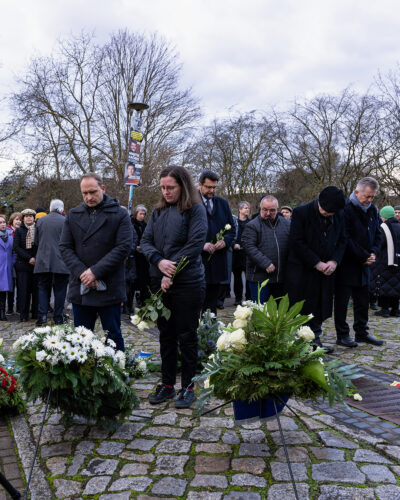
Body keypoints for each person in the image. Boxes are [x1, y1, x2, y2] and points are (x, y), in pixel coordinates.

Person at [141, 166, 208, 408]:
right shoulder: (158, 211)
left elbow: (195, 244)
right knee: (166, 335)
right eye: (163, 188)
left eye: (171, 187)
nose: (166, 192)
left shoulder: (195, 210)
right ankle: (167, 384)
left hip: (188, 282)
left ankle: (188, 387)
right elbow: (145, 242)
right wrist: (159, 262)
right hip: (159, 281)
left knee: (187, 336)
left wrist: (172, 270)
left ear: (183, 186)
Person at [60, 173, 133, 351]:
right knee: (81, 339)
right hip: (82, 285)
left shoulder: (120, 214)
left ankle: (116, 374)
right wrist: (83, 273)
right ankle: (84, 378)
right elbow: (64, 247)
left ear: (103, 188)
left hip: (109, 285)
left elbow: (123, 247)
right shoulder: (73, 215)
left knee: (113, 337)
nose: (89, 197)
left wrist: (95, 272)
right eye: (84, 193)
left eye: (93, 192)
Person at [286, 186, 347, 352]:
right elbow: (296, 242)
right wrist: (317, 263)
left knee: (321, 305)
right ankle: (303, 343)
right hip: (304, 270)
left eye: (331, 213)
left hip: (327, 269)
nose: (328, 215)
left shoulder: (339, 213)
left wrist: (334, 261)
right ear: (319, 202)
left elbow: (343, 239)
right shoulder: (301, 212)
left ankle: (316, 339)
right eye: (326, 211)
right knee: (305, 306)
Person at [334, 177, 384, 347]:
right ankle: (342, 335)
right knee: (342, 302)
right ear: (357, 192)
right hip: (347, 264)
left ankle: (361, 333)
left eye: (372, 197)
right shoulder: (345, 209)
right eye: (367, 196)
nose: (369, 200)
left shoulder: (373, 210)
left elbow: (378, 234)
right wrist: (363, 255)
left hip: (365, 264)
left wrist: (374, 253)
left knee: (362, 301)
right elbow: (345, 238)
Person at [199, 170, 235, 313]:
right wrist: (202, 245)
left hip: (217, 261)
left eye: (214, 187)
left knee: (212, 307)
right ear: (200, 184)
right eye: (208, 187)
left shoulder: (222, 203)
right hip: (198, 262)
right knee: (198, 305)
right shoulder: (191, 203)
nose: (212, 191)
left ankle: (210, 332)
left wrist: (225, 242)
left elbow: (231, 230)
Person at [242, 195, 291, 303]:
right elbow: (249, 247)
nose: (268, 213)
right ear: (260, 208)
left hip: (281, 278)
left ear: (277, 209)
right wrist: (265, 263)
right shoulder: (252, 225)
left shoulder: (287, 224)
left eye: (272, 210)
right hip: (259, 278)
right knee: (262, 313)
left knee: (280, 315)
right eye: (265, 210)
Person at [34, 199, 70, 326]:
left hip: (43, 259)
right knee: (60, 290)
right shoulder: (66, 221)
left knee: (43, 288)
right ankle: (58, 317)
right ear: (61, 209)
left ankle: (42, 316)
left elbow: (36, 241)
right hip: (62, 261)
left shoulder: (41, 221)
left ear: (50, 208)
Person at [370, 206, 400, 318]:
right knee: (396, 285)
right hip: (398, 261)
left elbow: (379, 244)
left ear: (384, 216)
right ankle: (396, 310)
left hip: (385, 261)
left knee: (384, 285)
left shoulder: (384, 228)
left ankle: (385, 309)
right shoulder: (399, 226)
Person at [13, 209, 38, 322]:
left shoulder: (38, 229)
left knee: (36, 290)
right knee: (23, 290)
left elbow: (41, 245)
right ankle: (24, 314)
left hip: (36, 264)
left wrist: (36, 258)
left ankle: (35, 313)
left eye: (31, 216)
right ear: (23, 218)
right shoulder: (19, 231)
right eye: (26, 216)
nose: (29, 218)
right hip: (23, 264)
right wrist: (29, 258)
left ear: (33, 218)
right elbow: (16, 247)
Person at [131, 205, 150, 308]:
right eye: (140, 214)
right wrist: (135, 247)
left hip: (143, 256)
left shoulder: (145, 225)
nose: (142, 216)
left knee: (143, 279)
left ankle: (141, 300)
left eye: (144, 214)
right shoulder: (131, 224)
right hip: (133, 256)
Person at [232, 201, 251, 305]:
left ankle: (248, 298)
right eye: (245, 208)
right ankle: (238, 298)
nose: (247, 210)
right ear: (239, 210)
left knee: (248, 277)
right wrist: (234, 244)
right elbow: (230, 235)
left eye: (248, 208)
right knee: (237, 277)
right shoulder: (234, 223)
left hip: (247, 253)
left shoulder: (251, 222)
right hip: (237, 253)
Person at [0, 214, 15, 320]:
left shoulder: (10, 237)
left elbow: (14, 252)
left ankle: (2, 312)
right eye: (0, 223)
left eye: (4, 222)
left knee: (3, 290)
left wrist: (12, 262)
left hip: (7, 267)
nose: (3, 224)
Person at [6, 212, 21, 314]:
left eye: (20, 219)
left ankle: (19, 307)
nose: (18, 221)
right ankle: (10, 307)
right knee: (11, 284)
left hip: (20, 260)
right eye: (16, 219)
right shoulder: (6, 231)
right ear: (12, 220)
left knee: (20, 285)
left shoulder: (22, 231)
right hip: (9, 260)